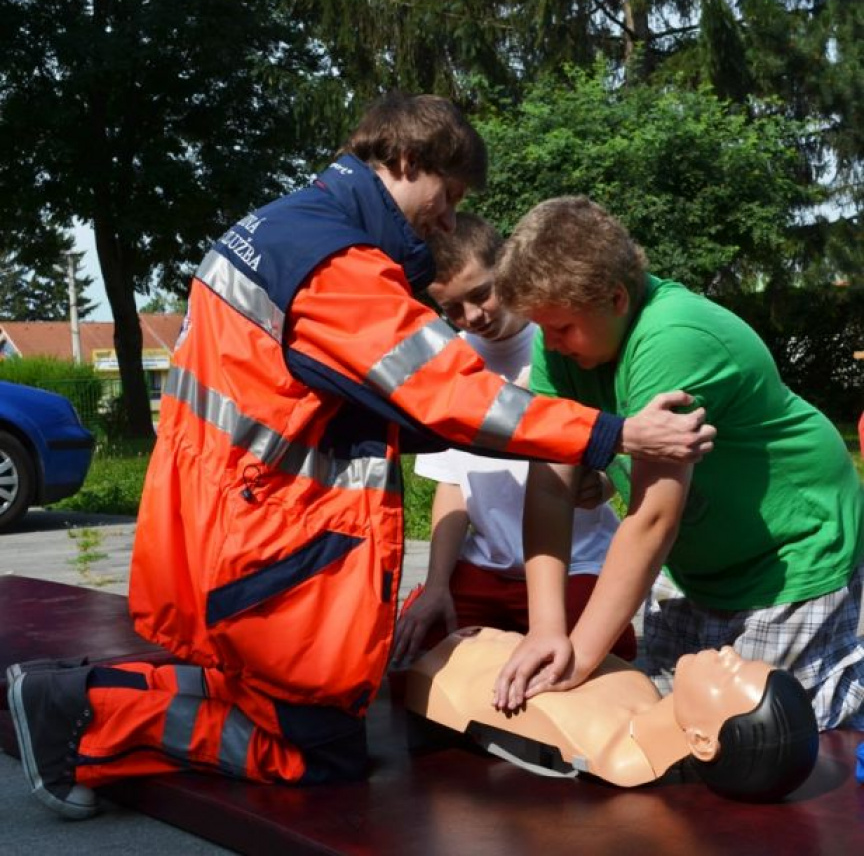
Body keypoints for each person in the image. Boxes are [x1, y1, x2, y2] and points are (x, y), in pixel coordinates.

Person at [6, 96, 715, 821]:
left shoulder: (273, 231)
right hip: (273, 532)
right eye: (449, 195)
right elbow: (449, 394)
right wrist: (615, 435)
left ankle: (68, 697)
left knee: (276, 697)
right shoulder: (339, 265)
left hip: (224, 512)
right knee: (316, 749)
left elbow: (358, 399)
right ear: (407, 161)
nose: (449, 220)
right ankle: (89, 713)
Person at [489, 195, 864, 733]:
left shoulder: (672, 339)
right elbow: (550, 487)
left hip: (792, 553)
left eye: (563, 328)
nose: (550, 344)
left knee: (769, 733)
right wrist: (546, 629)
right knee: (667, 727)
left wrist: (579, 656)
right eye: (542, 328)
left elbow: (652, 519)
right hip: (695, 568)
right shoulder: (560, 348)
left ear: (616, 298)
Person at [392, 213, 635, 665]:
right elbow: (452, 484)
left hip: (578, 562)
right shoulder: (450, 362)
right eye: (452, 308)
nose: (472, 316)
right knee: (418, 663)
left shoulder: (565, 340)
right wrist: (437, 585)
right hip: (486, 566)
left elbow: (623, 446)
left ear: (505, 268)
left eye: (480, 294)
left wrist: (603, 484)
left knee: (594, 674)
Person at [405, 627, 819, 802]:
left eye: (730, 674)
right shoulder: (638, 687)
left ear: (702, 741)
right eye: (740, 659)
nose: (728, 652)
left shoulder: (591, 739)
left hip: (440, 670)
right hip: (462, 646)